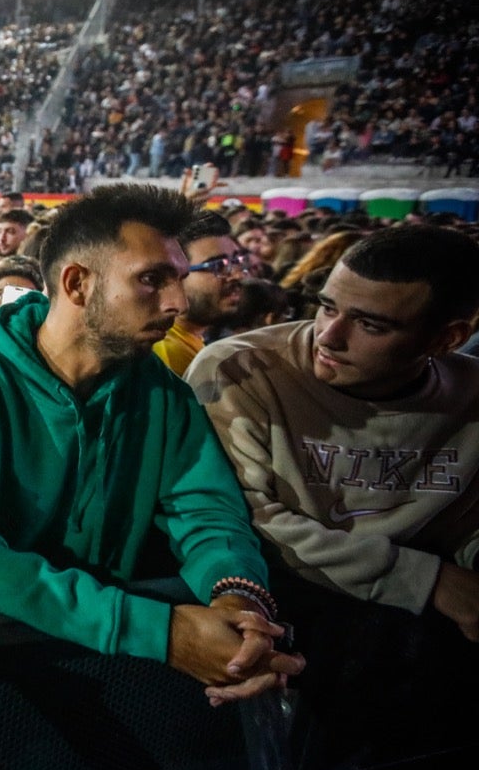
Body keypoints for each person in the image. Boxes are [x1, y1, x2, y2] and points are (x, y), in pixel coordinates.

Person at [0, 185, 303, 706]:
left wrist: (236, 598)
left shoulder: (162, 393)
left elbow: (207, 512)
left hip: (121, 671)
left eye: (180, 279)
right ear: (77, 283)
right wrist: (158, 631)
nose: (178, 302)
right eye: (151, 280)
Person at [185, 225, 479, 639]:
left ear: (448, 338)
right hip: (288, 617)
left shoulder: (471, 395)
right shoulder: (240, 370)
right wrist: (427, 580)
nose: (328, 336)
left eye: (370, 325)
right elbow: (244, 517)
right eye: (327, 307)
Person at [152, 211, 247, 376]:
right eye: (218, 266)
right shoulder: (168, 353)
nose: (237, 275)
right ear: (174, 276)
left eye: (236, 261)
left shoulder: (190, 341)